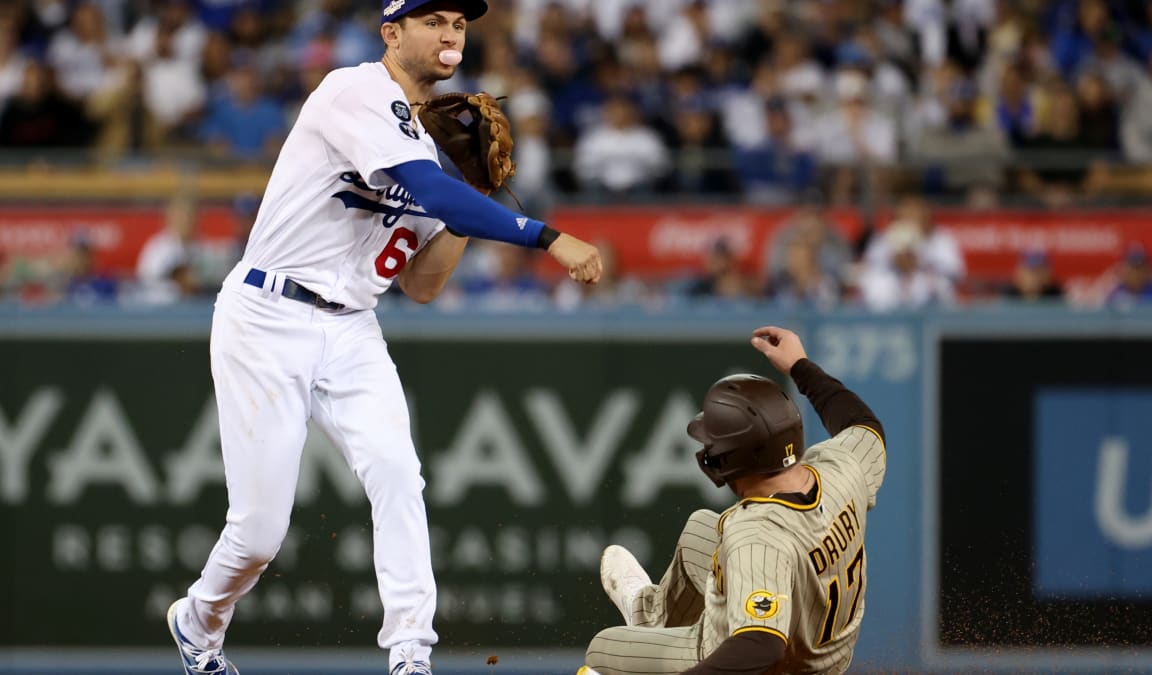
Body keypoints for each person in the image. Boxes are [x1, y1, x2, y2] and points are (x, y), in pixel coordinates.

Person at [165, 2, 603, 674]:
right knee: (258, 532)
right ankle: (199, 619)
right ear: (393, 33)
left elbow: (423, 284)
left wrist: (473, 193)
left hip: (351, 328)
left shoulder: (430, 154)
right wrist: (542, 234)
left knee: (398, 473)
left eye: (459, 22)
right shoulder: (353, 90)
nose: (451, 32)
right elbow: (428, 187)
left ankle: (410, 653)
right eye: (433, 20)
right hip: (267, 315)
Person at [580, 325, 886, 674]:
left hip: (779, 665)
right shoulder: (841, 469)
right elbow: (863, 424)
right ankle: (649, 617)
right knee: (701, 531)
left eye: (712, 443)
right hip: (816, 631)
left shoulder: (756, 535)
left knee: (602, 653)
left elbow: (760, 645)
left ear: (730, 459)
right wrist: (800, 365)